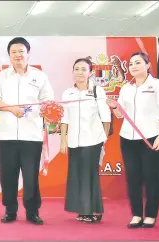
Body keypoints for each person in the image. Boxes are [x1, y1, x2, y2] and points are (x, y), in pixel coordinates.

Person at [0, 37, 54, 225]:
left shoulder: (40, 76)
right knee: (8, 175)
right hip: (7, 134)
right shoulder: (1, 76)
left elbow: (48, 101)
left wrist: (41, 109)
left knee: (31, 176)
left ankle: (32, 211)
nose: (18, 55)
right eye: (14, 52)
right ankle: (10, 210)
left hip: (31, 135)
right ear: (9, 55)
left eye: (21, 51)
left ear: (28, 53)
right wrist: (11, 108)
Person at [107, 52, 159, 228]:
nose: (133, 66)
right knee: (133, 178)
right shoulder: (126, 88)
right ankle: (136, 214)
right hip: (128, 138)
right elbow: (121, 115)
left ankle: (150, 215)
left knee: (152, 176)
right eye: (130, 64)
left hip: (151, 137)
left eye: (138, 62)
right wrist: (114, 107)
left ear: (148, 65)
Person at [60, 58, 111, 223]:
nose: (80, 72)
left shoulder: (97, 91)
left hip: (93, 140)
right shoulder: (68, 93)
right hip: (74, 141)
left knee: (90, 175)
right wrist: (63, 140)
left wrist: (103, 139)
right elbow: (65, 119)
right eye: (77, 69)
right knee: (76, 175)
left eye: (83, 69)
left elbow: (105, 116)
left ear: (90, 73)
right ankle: (82, 210)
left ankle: (93, 210)